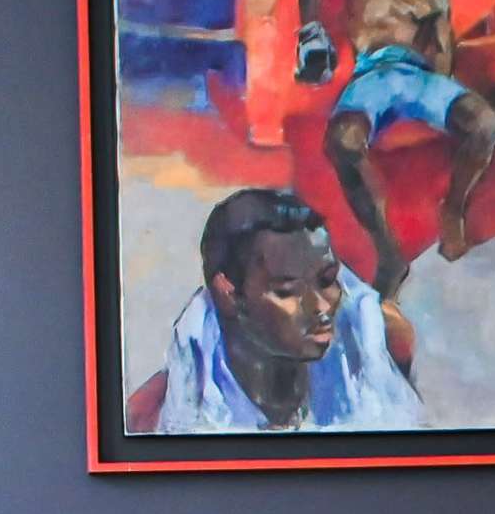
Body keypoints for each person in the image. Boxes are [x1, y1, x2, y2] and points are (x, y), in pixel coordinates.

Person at [292, 0, 495, 295]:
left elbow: (442, 64)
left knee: (486, 124)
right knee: (342, 141)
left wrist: (435, 86)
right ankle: (389, 252)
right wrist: (311, 34)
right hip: (371, 73)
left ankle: (453, 209)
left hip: (417, 77)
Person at [150, 186, 424, 434]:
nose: (321, 306)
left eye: (327, 280)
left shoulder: (361, 351)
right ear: (228, 294)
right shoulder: (189, 399)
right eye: (286, 291)